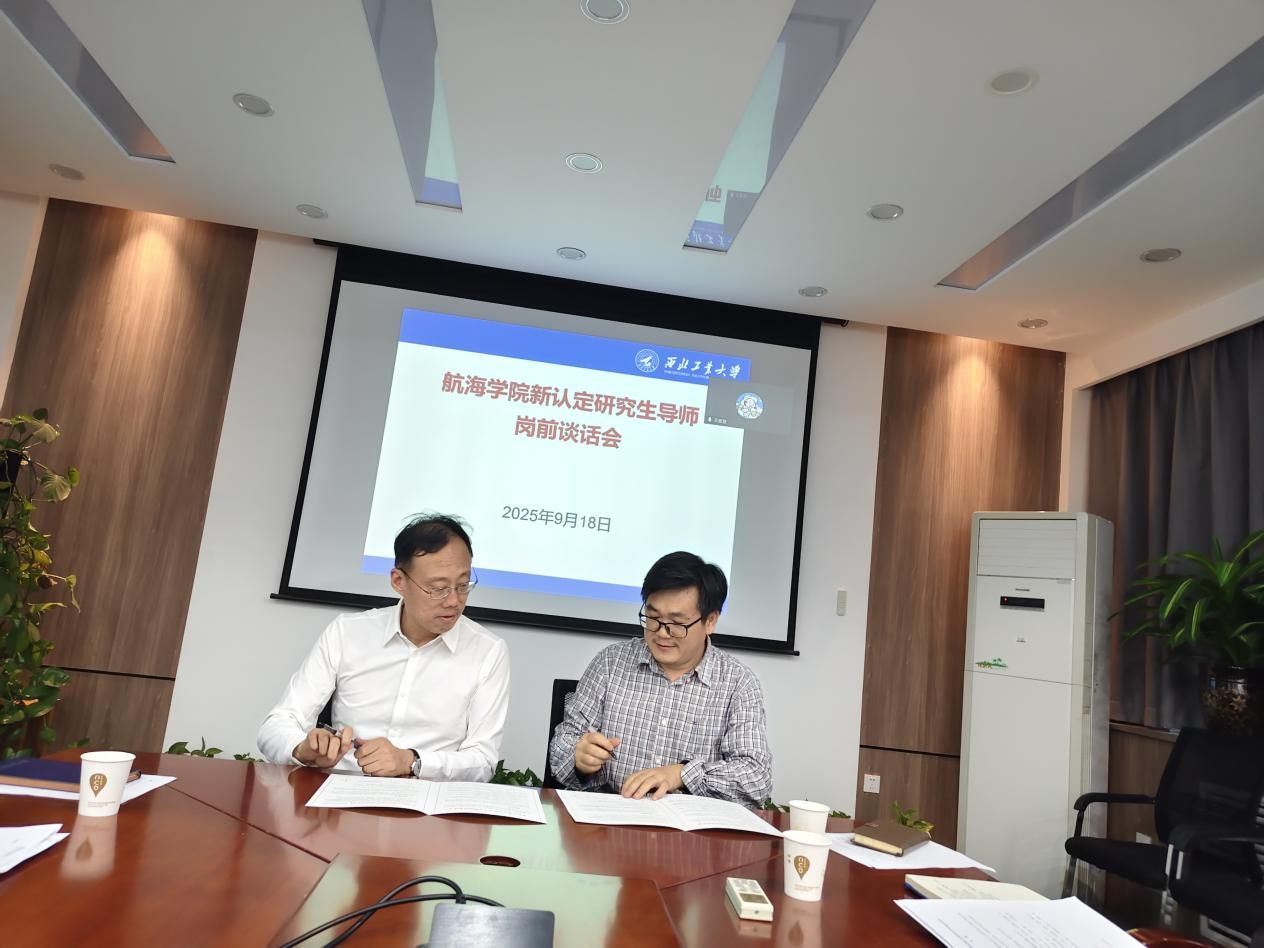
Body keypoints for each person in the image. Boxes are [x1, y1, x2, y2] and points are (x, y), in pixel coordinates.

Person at [257, 514, 509, 780]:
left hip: (427, 800)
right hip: (343, 793)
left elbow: (483, 761)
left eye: (463, 585)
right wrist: (303, 749)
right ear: (398, 581)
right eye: (438, 588)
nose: (454, 601)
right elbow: (276, 726)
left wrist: (413, 761)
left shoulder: (488, 651)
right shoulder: (347, 633)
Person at [548, 551, 772, 806]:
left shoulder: (738, 683)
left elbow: (755, 778)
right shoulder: (610, 663)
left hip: (690, 826)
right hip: (610, 816)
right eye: (653, 618)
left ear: (710, 621)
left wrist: (681, 774)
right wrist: (579, 758)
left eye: (677, 623)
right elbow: (562, 746)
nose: (662, 633)